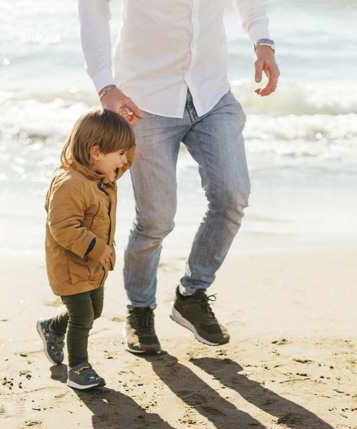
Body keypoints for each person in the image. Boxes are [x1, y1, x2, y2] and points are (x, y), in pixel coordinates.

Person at [78, 0, 279, 355]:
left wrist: (262, 40)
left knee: (232, 195)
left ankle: (192, 294)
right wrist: (105, 86)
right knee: (155, 220)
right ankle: (139, 310)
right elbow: (94, 9)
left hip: (211, 93)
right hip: (145, 101)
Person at [36, 108, 135, 390]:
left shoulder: (104, 175)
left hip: (94, 264)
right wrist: (95, 247)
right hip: (71, 265)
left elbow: (122, 160)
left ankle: (52, 327)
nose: (125, 161)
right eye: (120, 154)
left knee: (95, 311)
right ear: (95, 152)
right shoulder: (70, 183)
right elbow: (63, 226)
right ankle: (78, 367)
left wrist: (127, 131)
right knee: (82, 316)